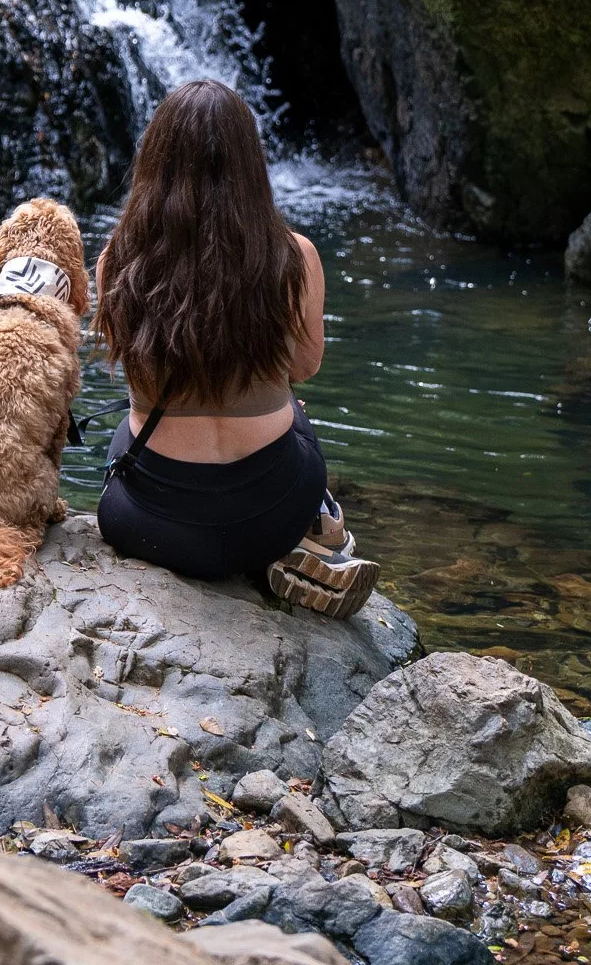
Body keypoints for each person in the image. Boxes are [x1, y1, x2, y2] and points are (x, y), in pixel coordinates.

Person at [94, 78, 380, 618]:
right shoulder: (295, 257)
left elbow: (131, 366)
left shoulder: (118, 259)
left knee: (125, 434)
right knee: (295, 411)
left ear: (154, 162)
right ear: (251, 163)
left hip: (149, 527)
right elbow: (304, 365)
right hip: (270, 520)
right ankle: (318, 528)